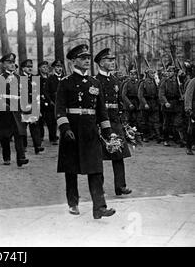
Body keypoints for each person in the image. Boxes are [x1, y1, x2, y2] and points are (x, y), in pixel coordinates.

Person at [56, 44, 116, 219]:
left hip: (90, 132)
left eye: (88, 58)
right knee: (71, 170)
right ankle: (73, 203)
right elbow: (59, 109)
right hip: (72, 131)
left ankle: (99, 207)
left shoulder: (95, 83)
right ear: (74, 61)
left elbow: (101, 111)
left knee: (96, 170)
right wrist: (65, 127)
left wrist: (108, 132)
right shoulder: (65, 83)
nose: (87, 61)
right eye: (83, 58)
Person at [95, 48, 132, 196]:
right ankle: (99, 187)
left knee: (119, 153)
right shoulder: (96, 80)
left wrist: (122, 120)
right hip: (101, 122)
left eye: (113, 60)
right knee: (99, 156)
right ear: (101, 63)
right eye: (109, 60)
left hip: (115, 121)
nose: (112, 62)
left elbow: (118, 102)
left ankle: (120, 186)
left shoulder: (115, 80)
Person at [0, 53, 29, 167]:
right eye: (9, 62)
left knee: (19, 133)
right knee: (5, 135)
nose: (12, 65)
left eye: (13, 62)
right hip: (5, 109)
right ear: (4, 65)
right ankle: (6, 156)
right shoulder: (0, 78)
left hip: (17, 109)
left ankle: (21, 158)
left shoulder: (19, 78)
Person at [19, 59, 44, 154]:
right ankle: (23, 146)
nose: (30, 68)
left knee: (35, 127)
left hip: (33, 106)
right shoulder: (19, 78)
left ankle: (37, 146)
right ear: (22, 68)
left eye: (31, 67)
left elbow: (38, 94)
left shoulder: (35, 78)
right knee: (23, 128)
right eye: (27, 67)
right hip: (23, 106)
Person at [159, 65, 185, 147]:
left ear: (174, 73)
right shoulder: (164, 81)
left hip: (176, 104)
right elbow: (161, 94)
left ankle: (177, 139)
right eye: (168, 71)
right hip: (167, 104)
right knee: (166, 123)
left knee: (177, 123)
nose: (169, 73)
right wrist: (165, 102)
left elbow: (182, 91)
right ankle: (166, 139)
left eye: (171, 71)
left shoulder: (178, 81)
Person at [138, 69, 162, 143]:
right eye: (151, 73)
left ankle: (157, 135)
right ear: (148, 74)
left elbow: (158, 93)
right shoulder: (143, 83)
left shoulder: (155, 82)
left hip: (153, 103)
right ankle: (145, 136)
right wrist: (145, 103)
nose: (153, 75)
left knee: (155, 120)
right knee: (144, 121)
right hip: (146, 103)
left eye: (154, 73)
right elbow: (140, 95)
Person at [38, 61, 57, 144]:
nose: (45, 69)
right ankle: (40, 136)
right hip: (40, 101)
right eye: (43, 67)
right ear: (39, 68)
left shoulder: (51, 77)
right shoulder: (37, 78)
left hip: (49, 102)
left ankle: (52, 137)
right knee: (40, 120)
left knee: (51, 120)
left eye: (46, 67)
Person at [46, 59, 64, 144]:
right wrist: (50, 101)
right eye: (57, 67)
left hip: (63, 102)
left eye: (60, 67)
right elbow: (46, 91)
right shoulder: (50, 78)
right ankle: (53, 137)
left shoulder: (65, 78)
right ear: (54, 68)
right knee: (52, 121)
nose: (59, 68)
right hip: (53, 102)